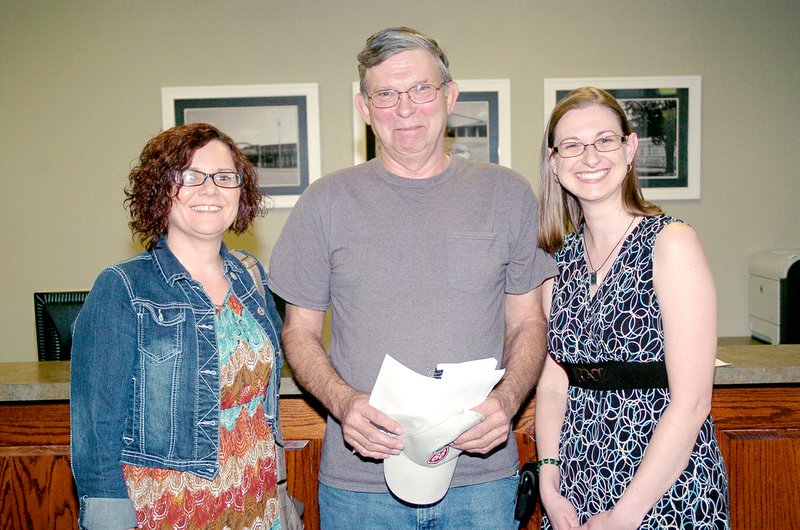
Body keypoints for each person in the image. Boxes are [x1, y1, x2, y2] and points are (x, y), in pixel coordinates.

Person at [268, 26, 556, 529]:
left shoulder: (507, 195)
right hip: (361, 484)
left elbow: (529, 323)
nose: (405, 109)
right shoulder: (325, 203)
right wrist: (344, 402)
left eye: (421, 89)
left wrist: (508, 401)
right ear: (364, 106)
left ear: (450, 96)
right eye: (386, 94)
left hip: (480, 481)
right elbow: (299, 331)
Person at [70, 123, 286, 530]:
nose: (210, 189)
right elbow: (94, 432)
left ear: (241, 192)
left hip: (256, 500)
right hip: (171, 507)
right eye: (189, 176)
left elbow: (270, 395)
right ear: (160, 190)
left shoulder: (250, 277)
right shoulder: (122, 287)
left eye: (224, 177)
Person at [534, 87, 730, 530]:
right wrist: (549, 476)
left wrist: (624, 516)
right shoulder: (556, 258)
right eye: (572, 145)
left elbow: (693, 402)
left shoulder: (671, 243)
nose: (589, 157)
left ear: (630, 148)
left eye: (604, 140)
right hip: (577, 484)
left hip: (662, 485)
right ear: (554, 161)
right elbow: (552, 383)